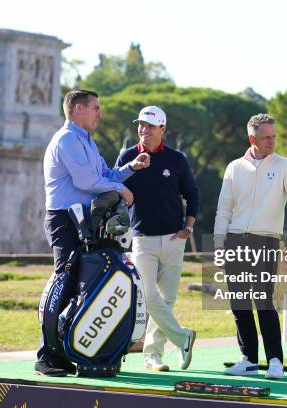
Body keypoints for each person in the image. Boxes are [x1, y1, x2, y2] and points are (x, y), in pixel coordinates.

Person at [36, 90, 151, 376]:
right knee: (64, 281)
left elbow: (105, 175)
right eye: (95, 108)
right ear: (77, 109)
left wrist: (130, 169)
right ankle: (46, 356)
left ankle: (70, 349)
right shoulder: (66, 140)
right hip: (64, 219)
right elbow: (87, 181)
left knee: (81, 286)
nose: (100, 113)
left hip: (83, 220)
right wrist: (120, 190)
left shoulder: (86, 141)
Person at [213, 113, 287, 379]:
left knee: (263, 299)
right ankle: (248, 358)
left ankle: (275, 361)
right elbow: (224, 208)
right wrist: (218, 243)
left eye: (274, 136)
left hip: (266, 240)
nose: (272, 141)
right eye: (266, 137)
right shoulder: (235, 167)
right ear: (252, 138)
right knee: (239, 303)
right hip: (235, 239)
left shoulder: (284, 165)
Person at [116, 106, 199, 372]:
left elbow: (192, 194)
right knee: (149, 295)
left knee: (167, 299)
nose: (144, 129)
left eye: (150, 126)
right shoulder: (128, 156)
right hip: (142, 238)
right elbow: (114, 186)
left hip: (174, 238)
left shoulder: (177, 159)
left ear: (162, 129)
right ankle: (183, 338)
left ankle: (153, 356)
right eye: (141, 124)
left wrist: (188, 227)